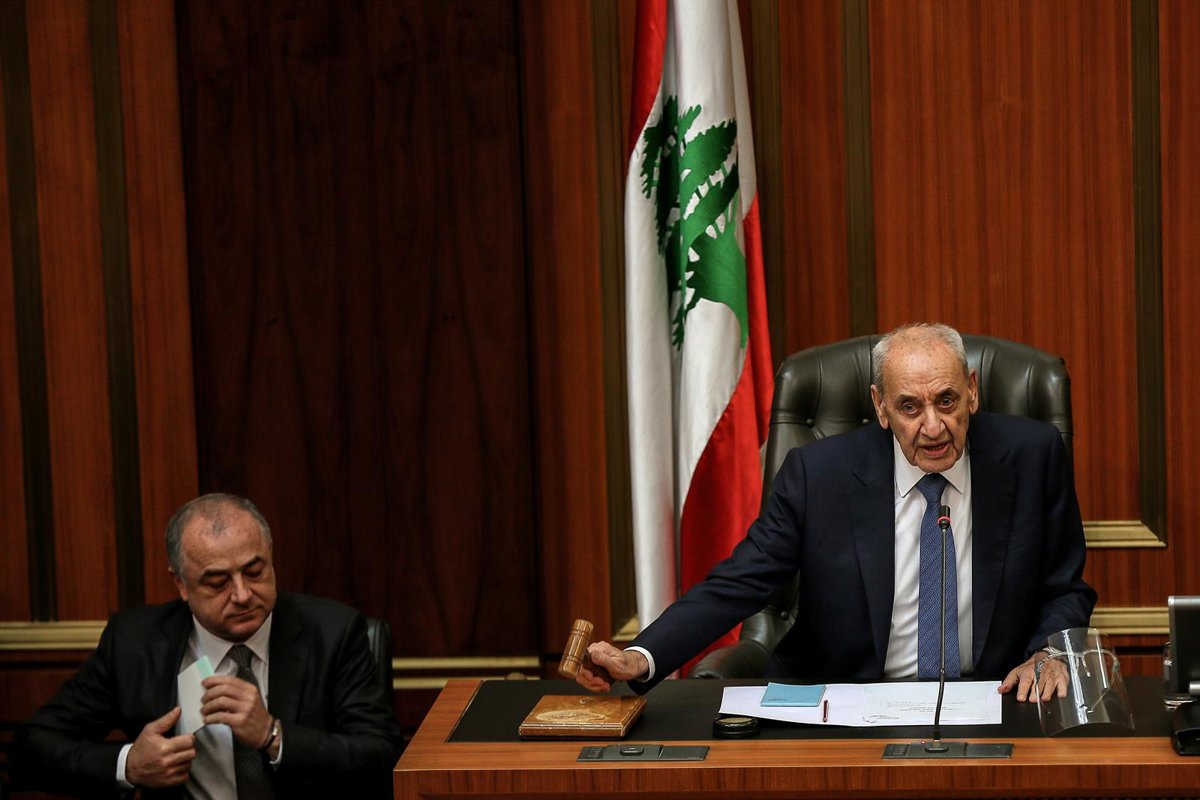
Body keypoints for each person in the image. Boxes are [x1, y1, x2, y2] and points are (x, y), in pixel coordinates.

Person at [580, 323, 1096, 703]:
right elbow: (741, 581)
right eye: (910, 407)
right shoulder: (818, 475)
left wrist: (1048, 652)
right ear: (880, 406)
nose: (933, 427)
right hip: (842, 705)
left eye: (946, 401)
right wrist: (642, 657)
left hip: (992, 701)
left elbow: (1064, 587)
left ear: (973, 391)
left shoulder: (1031, 457)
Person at [15, 493, 402, 798]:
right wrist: (129, 764)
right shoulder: (135, 643)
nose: (242, 594)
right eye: (217, 583)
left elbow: (381, 755)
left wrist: (273, 736)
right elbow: (32, 748)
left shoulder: (333, 633)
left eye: (255, 572)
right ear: (181, 584)